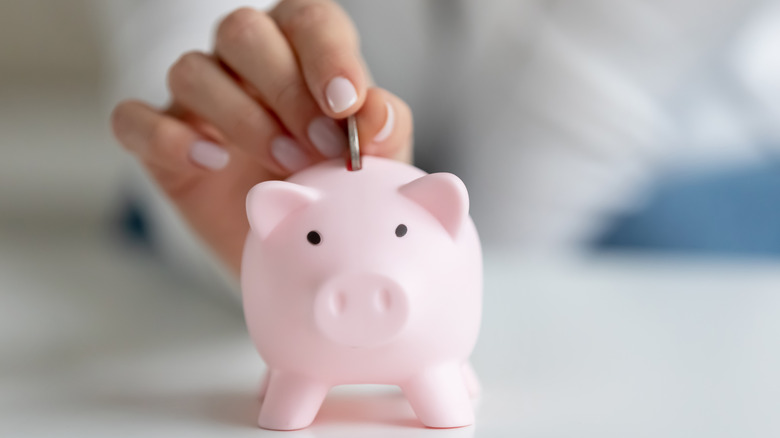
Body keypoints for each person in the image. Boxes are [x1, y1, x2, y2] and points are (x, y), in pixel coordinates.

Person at [108, 0, 780, 286]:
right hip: (330, 180)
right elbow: (186, 54)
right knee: (151, 232)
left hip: (680, 160)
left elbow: (597, 85)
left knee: (660, 244)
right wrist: (254, 254)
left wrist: (444, 289)